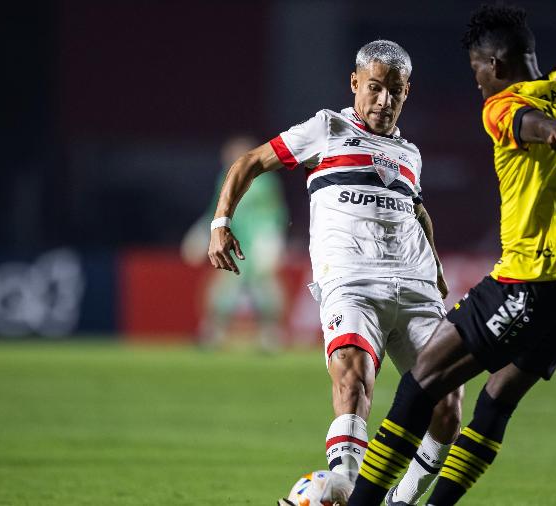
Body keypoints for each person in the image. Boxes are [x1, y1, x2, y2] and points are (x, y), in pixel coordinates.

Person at [347, 2, 556, 504]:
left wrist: (551, 130)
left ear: (493, 65)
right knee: (496, 401)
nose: (476, 80)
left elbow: (526, 121)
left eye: (477, 69)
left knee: (419, 385)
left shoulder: (500, 104)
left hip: (528, 286)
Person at [206, 40, 463, 505]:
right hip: (352, 279)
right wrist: (221, 221)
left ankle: (400, 500)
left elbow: (417, 212)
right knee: (352, 376)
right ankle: (345, 487)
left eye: (396, 92)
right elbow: (249, 162)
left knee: (447, 408)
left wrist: (438, 268)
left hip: (417, 286)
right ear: (355, 83)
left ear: (408, 93)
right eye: (375, 88)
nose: (385, 100)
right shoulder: (327, 128)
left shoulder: (410, 154)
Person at [181, 136, 288, 350]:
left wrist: (272, 239)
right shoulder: (225, 178)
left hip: (258, 244)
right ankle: (214, 332)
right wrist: (202, 232)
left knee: (264, 288)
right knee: (223, 290)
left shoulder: (265, 180)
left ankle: (271, 335)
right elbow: (217, 211)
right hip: (234, 244)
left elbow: (276, 213)